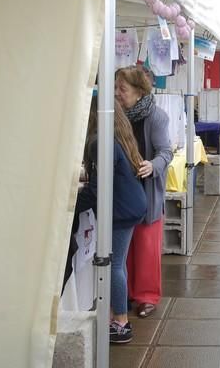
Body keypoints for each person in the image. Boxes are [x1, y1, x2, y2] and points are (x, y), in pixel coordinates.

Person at [76, 99, 147, 343]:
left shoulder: (100, 142)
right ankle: (116, 314)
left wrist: (69, 206)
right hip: (132, 205)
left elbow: (97, 189)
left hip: (120, 210)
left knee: (114, 265)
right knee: (119, 264)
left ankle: (121, 322)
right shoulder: (120, 137)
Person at [114, 66, 173, 319]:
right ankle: (124, 293)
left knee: (146, 248)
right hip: (122, 190)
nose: (117, 93)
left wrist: (153, 165)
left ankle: (146, 296)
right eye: (115, 88)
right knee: (123, 250)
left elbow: (166, 152)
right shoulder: (114, 114)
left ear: (139, 92)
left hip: (146, 190)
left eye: (122, 89)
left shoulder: (156, 116)